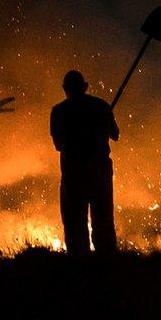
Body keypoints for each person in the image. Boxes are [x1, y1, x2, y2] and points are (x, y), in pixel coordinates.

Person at [49, 70, 119, 256]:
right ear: (85, 87)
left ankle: (79, 263)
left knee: (75, 220)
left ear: (65, 88)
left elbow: (58, 145)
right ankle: (107, 262)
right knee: (103, 217)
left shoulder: (59, 111)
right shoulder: (101, 106)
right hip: (99, 171)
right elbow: (115, 135)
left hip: (74, 173)